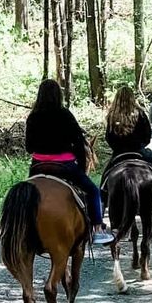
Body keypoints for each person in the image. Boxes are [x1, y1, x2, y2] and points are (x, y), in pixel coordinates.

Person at [25, 79, 112, 247]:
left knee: (24, 194)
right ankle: (98, 229)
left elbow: (29, 147)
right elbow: (79, 143)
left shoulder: (33, 116)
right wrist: (79, 166)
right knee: (94, 191)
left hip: (38, 166)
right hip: (64, 165)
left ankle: (23, 231)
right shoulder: (65, 114)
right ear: (59, 95)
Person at [103, 86, 152, 210]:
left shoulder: (112, 116)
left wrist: (117, 148)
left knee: (105, 176)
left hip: (119, 153)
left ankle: (102, 201)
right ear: (132, 98)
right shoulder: (140, 113)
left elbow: (108, 137)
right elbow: (147, 135)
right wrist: (141, 144)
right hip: (139, 151)